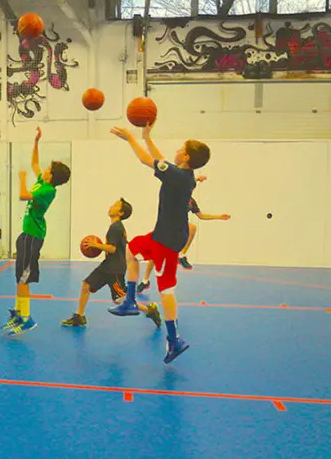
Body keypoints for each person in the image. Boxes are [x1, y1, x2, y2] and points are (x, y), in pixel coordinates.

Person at [108, 122, 210, 364]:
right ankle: (131, 300)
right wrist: (146, 135)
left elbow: (147, 160)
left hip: (167, 240)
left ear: (185, 157)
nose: (176, 151)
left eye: (180, 149)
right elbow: (161, 159)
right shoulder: (185, 175)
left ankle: (175, 339)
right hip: (166, 235)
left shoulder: (176, 175)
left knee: (166, 289)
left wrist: (132, 139)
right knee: (131, 248)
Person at [3, 127, 71, 335]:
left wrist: (22, 177)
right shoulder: (44, 181)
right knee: (19, 277)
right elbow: (34, 163)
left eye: (48, 168)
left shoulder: (47, 190)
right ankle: (19, 312)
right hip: (26, 234)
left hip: (34, 236)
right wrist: (36, 142)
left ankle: (27, 318)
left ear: (51, 175)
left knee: (24, 278)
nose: (44, 169)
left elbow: (23, 195)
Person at [61, 198, 161, 328]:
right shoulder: (116, 227)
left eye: (115, 205)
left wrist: (95, 245)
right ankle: (79, 316)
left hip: (115, 268)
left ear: (120, 213)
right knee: (86, 285)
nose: (111, 206)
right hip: (108, 265)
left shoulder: (116, 227)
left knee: (120, 299)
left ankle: (150, 310)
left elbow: (112, 249)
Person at [138, 186, 231, 292]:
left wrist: (219, 217)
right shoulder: (173, 196)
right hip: (166, 227)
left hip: (179, 228)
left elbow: (201, 216)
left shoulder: (191, 201)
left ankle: (181, 255)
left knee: (192, 227)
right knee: (154, 256)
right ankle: (145, 281)